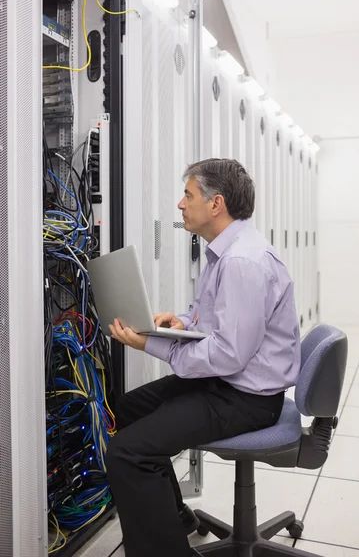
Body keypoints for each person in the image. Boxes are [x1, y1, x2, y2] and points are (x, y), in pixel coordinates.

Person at [107, 158, 301, 557]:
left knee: (128, 451)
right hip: (227, 382)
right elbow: (213, 322)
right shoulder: (226, 252)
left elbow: (228, 354)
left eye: (188, 194)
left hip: (245, 398)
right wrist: (176, 322)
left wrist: (150, 344)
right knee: (129, 409)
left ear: (216, 204)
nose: (181, 204)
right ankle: (174, 518)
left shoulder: (242, 262)